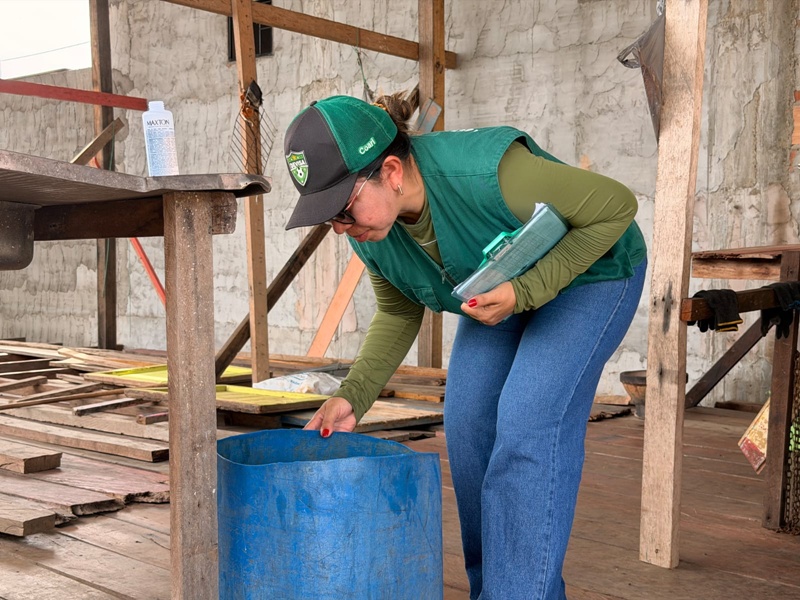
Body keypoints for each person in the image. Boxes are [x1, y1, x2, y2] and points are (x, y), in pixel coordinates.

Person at [282, 91, 647, 600]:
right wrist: (353, 396)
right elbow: (398, 309)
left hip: (594, 268)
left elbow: (615, 207)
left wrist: (524, 292)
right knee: (468, 422)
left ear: (390, 171)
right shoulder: (373, 233)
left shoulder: (489, 174)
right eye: (330, 217)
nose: (342, 227)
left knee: (526, 421)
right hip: (502, 284)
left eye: (344, 208)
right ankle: (497, 589)